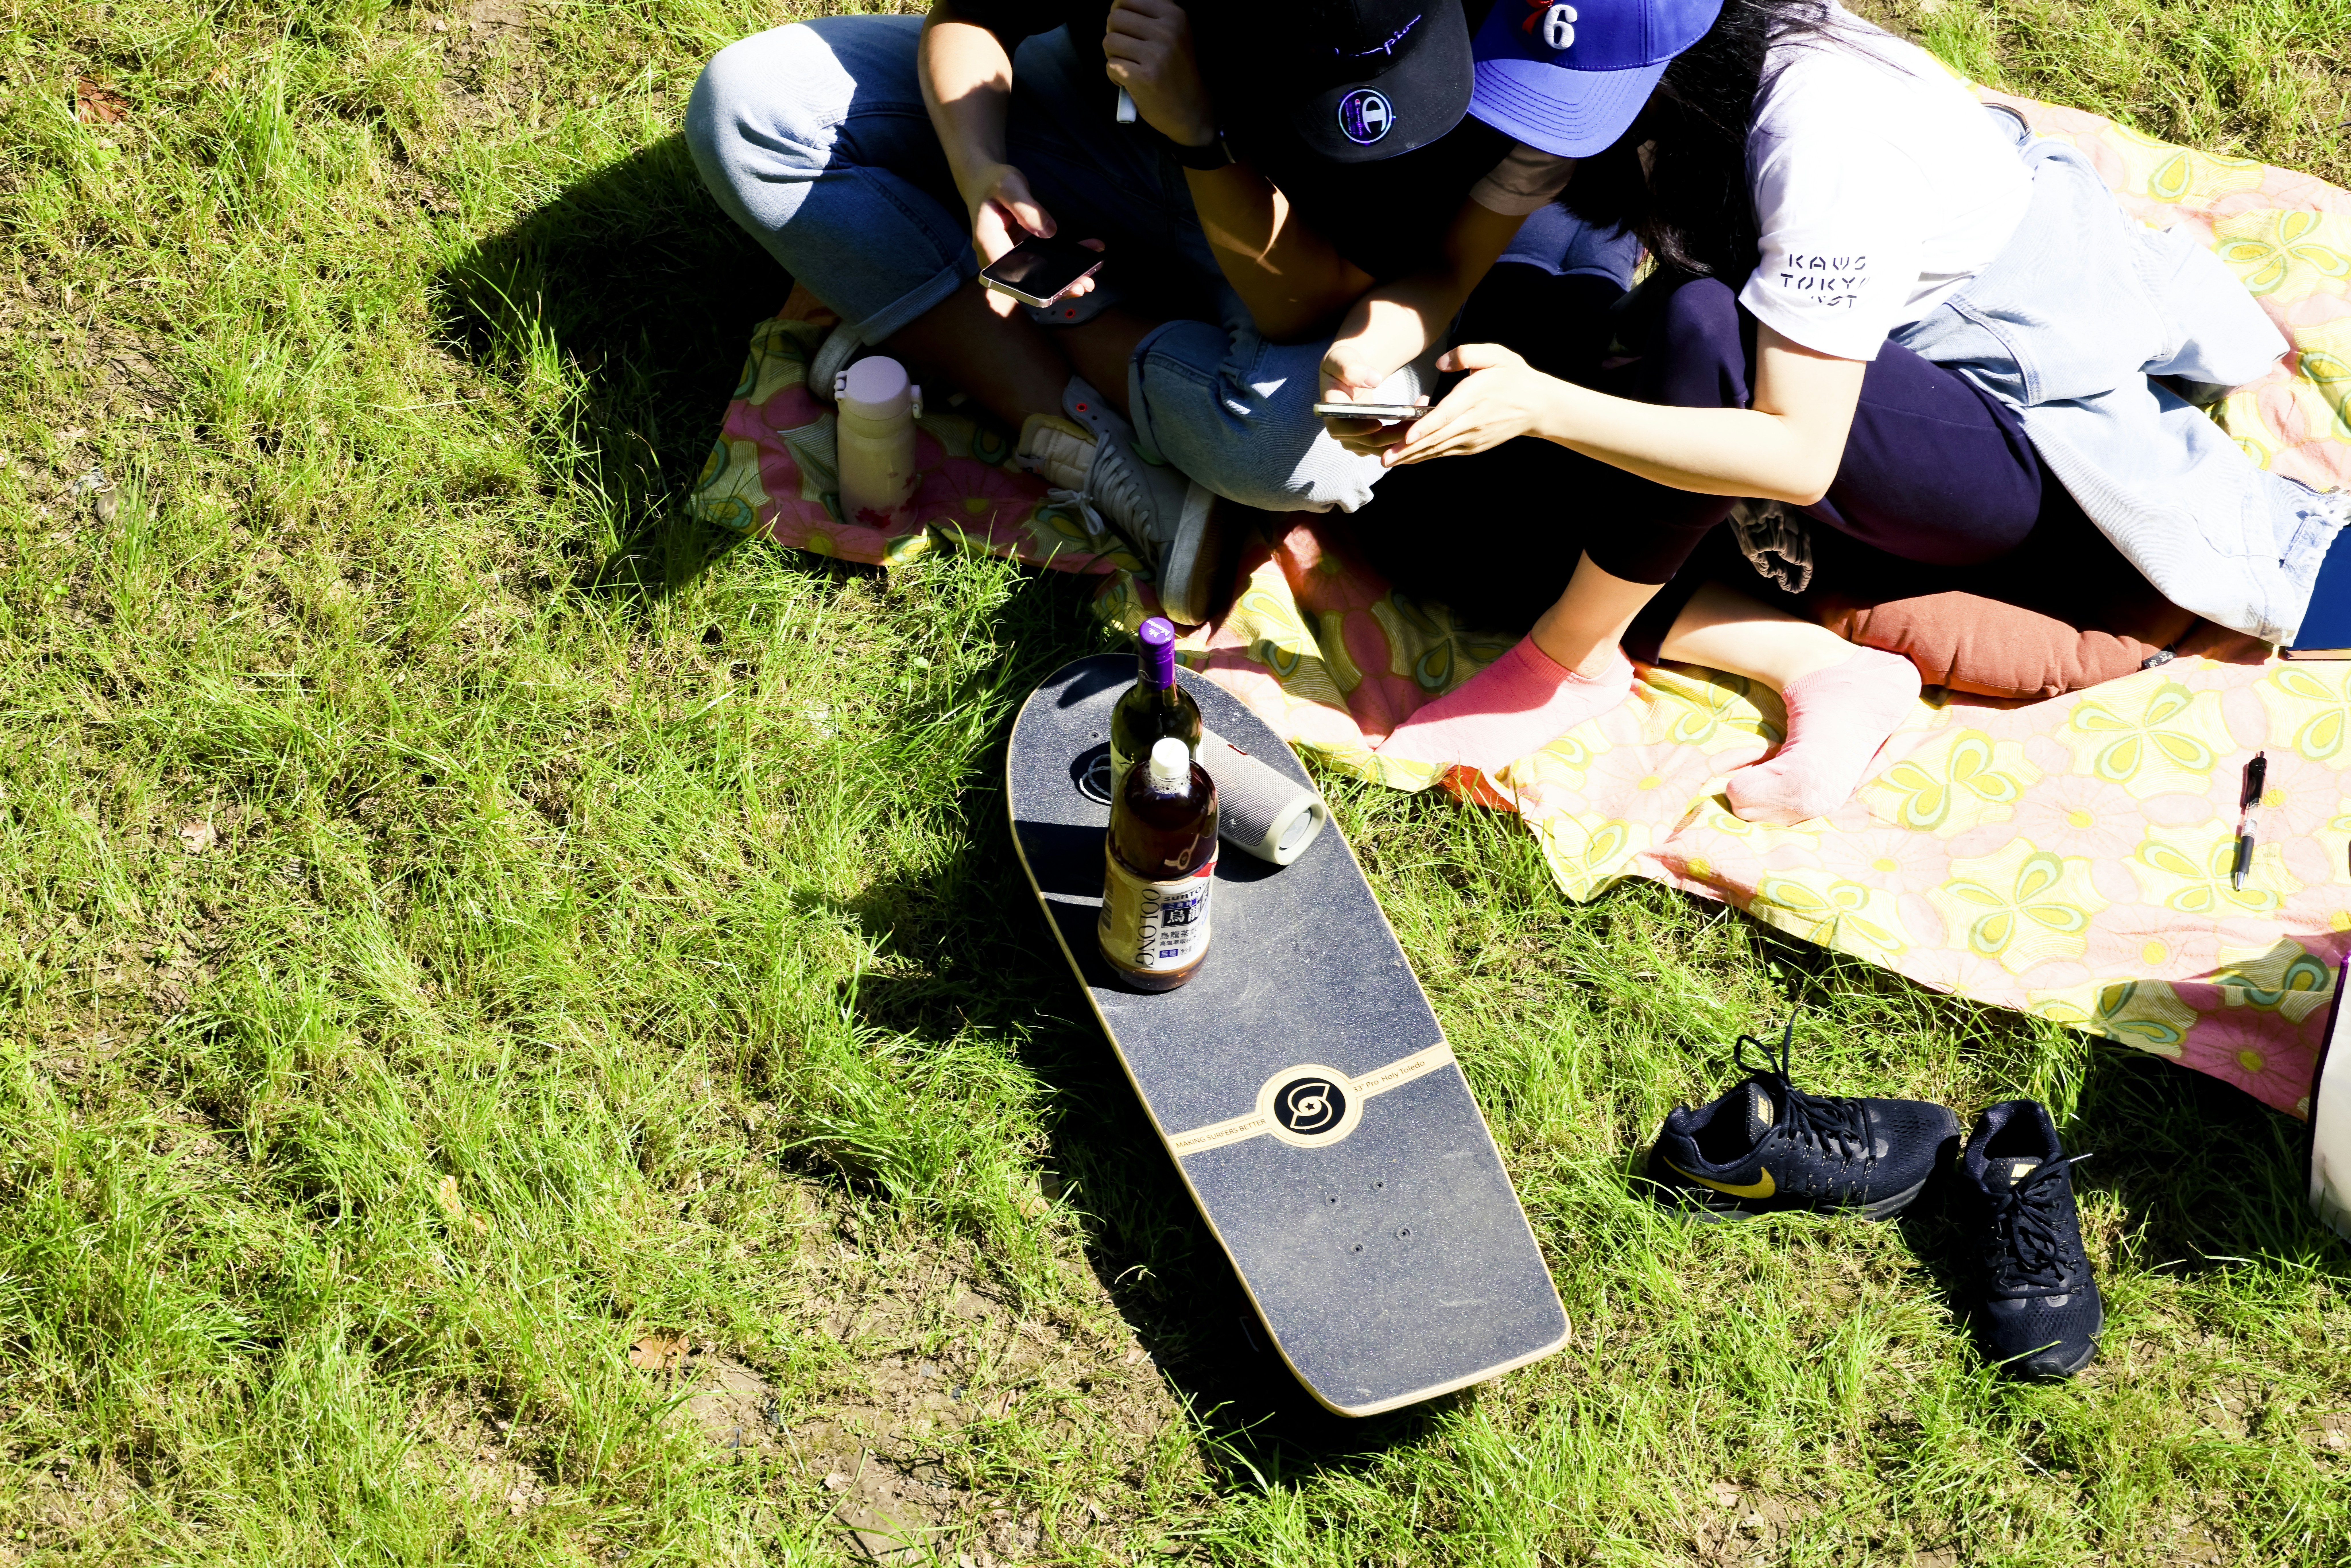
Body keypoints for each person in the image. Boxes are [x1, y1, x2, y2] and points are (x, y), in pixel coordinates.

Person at [1326, 0, 2347, 822]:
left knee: (1697, 329)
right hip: (1835, 402)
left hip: (2011, 454)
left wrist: (1545, 409)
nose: (1553, 128)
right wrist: (1374, 345)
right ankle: (1816, 664)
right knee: (1417, 471)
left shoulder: (1820, 133)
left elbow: (1796, 453)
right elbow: (1458, 260)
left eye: (1574, 109)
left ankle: (1569, 659)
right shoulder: (1623, 79)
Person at [685, 0, 1589, 623]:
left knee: (1300, 450)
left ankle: (990, 317)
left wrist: (1199, 138)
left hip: (1275, 240)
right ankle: (1078, 427)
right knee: (750, 109)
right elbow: (973, 15)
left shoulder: (1467, 70)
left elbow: (1311, 302)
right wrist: (981, 169)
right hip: (1097, 122)